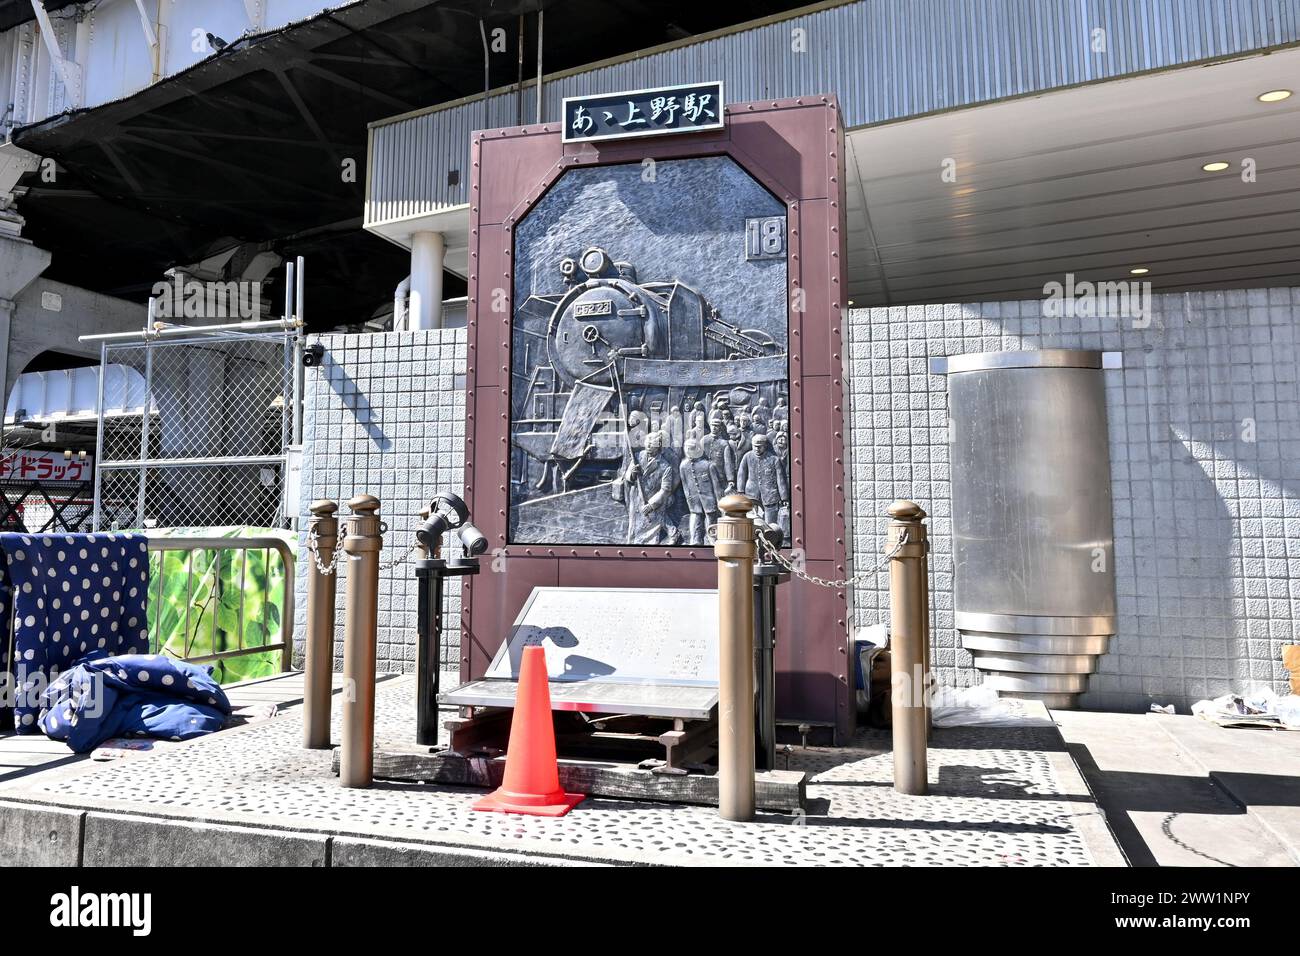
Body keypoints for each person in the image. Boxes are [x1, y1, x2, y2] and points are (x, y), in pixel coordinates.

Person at [624, 430, 679, 544]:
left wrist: (651, 505)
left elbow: (665, 490)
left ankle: (672, 533)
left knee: (654, 524)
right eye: (646, 444)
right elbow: (628, 477)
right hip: (637, 497)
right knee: (633, 525)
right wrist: (633, 473)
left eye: (651, 445)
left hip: (652, 500)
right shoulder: (638, 457)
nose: (648, 447)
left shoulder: (665, 466)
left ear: (658, 446)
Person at [737, 432, 789, 529]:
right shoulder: (747, 456)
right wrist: (740, 490)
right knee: (751, 521)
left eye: (759, 446)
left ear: (765, 446)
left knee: (770, 524)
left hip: (770, 495)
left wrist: (784, 497)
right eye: (755, 446)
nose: (757, 449)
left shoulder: (774, 459)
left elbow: (780, 479)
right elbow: (741, 474)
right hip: (751, 495)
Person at [678, 438, 725, 546]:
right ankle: (696, 540)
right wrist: (689, 498)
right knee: (696, 520)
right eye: (687, 449)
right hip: (695, 500)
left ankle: (712, 541)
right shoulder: (683, 466)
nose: (688, 451)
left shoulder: (708, 465)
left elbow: (716, 486)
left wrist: (719, 501)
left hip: (709, 499)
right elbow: (685, 485)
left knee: (711, 520)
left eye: (690, 449)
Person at [700, 414, 737, 492]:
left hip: (719, 477)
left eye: (716, 426)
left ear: (720, 428)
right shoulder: (704, 440)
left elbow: (728, 463)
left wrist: (730, 480)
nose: (714, 428)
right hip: (705, 476)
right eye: (712, 425)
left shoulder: (724, 443)